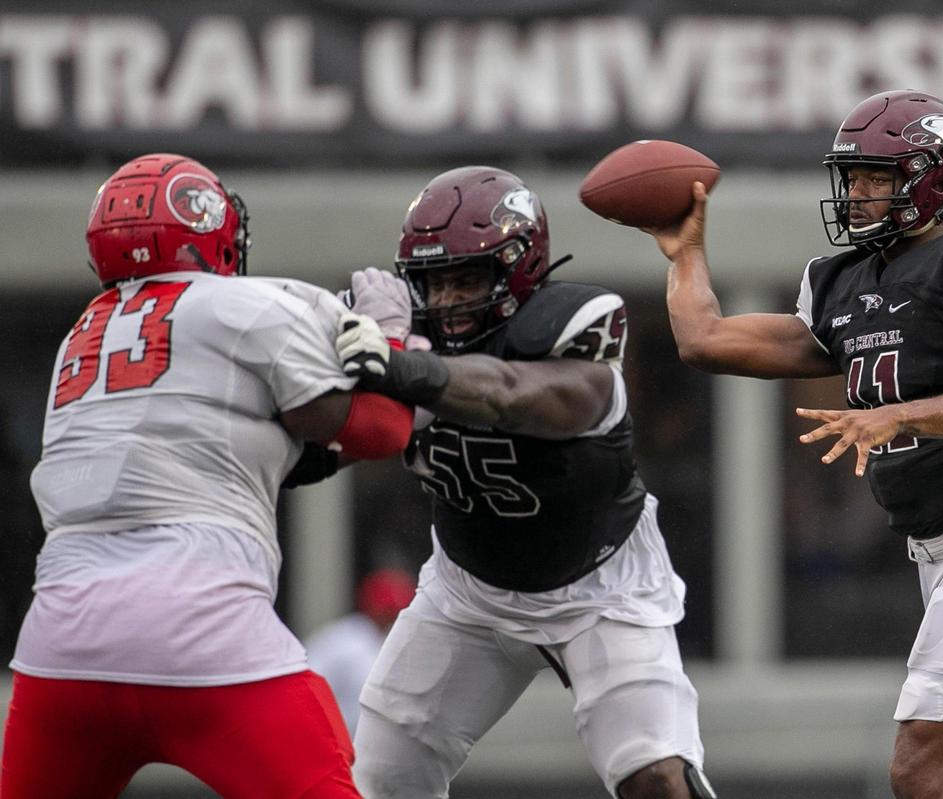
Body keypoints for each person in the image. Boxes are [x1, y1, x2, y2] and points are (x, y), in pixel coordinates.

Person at [641, 89, 943, 799]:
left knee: (920, 768)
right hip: (940, 548)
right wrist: (686, 254)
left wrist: (896, 416)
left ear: (935, 178)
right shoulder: (841, 280)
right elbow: (705, 339)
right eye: (853, 177)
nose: (859, 193)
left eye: (879, 176)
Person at [1, 153, 415, 799]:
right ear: (209, 229)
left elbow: (246, 450)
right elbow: (381, 429)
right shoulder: (249, 303)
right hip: (202, 633)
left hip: (62, 648)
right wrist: (391, 339)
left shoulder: (79, 336)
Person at [331, 166, 717, 799]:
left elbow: (507, 394)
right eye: (434, 281)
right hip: (465, 592)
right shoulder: (405, 337)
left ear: (518, 271)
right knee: (382, 780)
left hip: (600, 586)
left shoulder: (573, 341)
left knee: (654, 776)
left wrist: (396, 362)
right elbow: (331, 431)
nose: (449, 300)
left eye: (466, 279)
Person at [305, 568, 417, 735]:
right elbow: (306, 685)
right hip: (330, 739)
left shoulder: (394, 641)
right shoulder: (345, 638)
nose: (392, 617)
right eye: (389, 611)